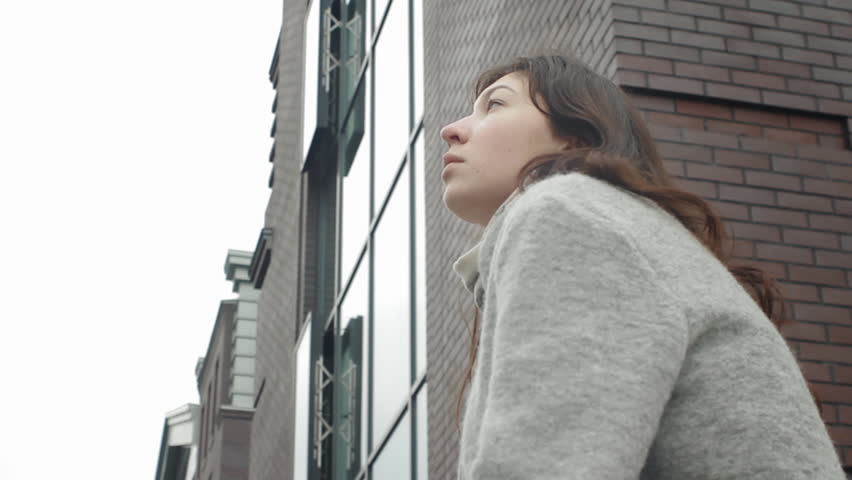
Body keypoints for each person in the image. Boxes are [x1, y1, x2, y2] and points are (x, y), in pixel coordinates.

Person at [440, 53, 846, 479]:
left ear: (575, 138)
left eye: (495, 105)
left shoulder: (564, 210)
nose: (452, 130)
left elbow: (550, 465)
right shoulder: (616, 226)